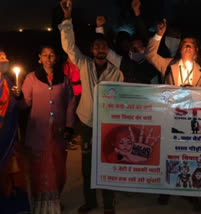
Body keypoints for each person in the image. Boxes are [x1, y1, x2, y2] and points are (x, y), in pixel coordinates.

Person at [58, 1, 124, 213]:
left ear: (108, 50)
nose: (100, 49)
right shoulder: (84, 64)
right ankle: (90, 201)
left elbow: (124, 100)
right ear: (91, 49)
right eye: (97, 46)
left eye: (104, 46)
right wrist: (67, 19)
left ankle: (108, 203)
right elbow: (69, 47)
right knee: (87, 165)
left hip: (108, 126)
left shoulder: (117, 73)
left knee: (108, 164)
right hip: (86, 122)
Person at [144, 18, 201, 207]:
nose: (187, 47)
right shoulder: (169, 64)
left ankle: (190, 189)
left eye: (191, 45)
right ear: (180, 48)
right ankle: (166, 188)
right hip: (169, 118)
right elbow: (150, 55)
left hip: (191, 121)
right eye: (185, 44)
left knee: (189, 155)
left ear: (196, 51)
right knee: (168, 154)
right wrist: (159, 34)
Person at [12, 45, 76, 213]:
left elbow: (70, 103)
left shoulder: (64, 79)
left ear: (56, 59)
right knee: (38, 171)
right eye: (45, 55)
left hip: (58, 133)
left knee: (59, 170)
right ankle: (40, 205)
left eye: (52, 55)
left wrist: (69, 125)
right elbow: (24, 104)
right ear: (39, 58)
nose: (48, 58)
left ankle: (55, 202)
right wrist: (18, 97)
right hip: (38, 134)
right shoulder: (32, 78)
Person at [0, 49, 30, 214]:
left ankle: (12, 201)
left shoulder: (9, 83)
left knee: (12, 171)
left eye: (6, 56)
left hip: (9, 136)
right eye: (1, 57)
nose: (5, 60)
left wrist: (19, 97)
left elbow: (22, 106)